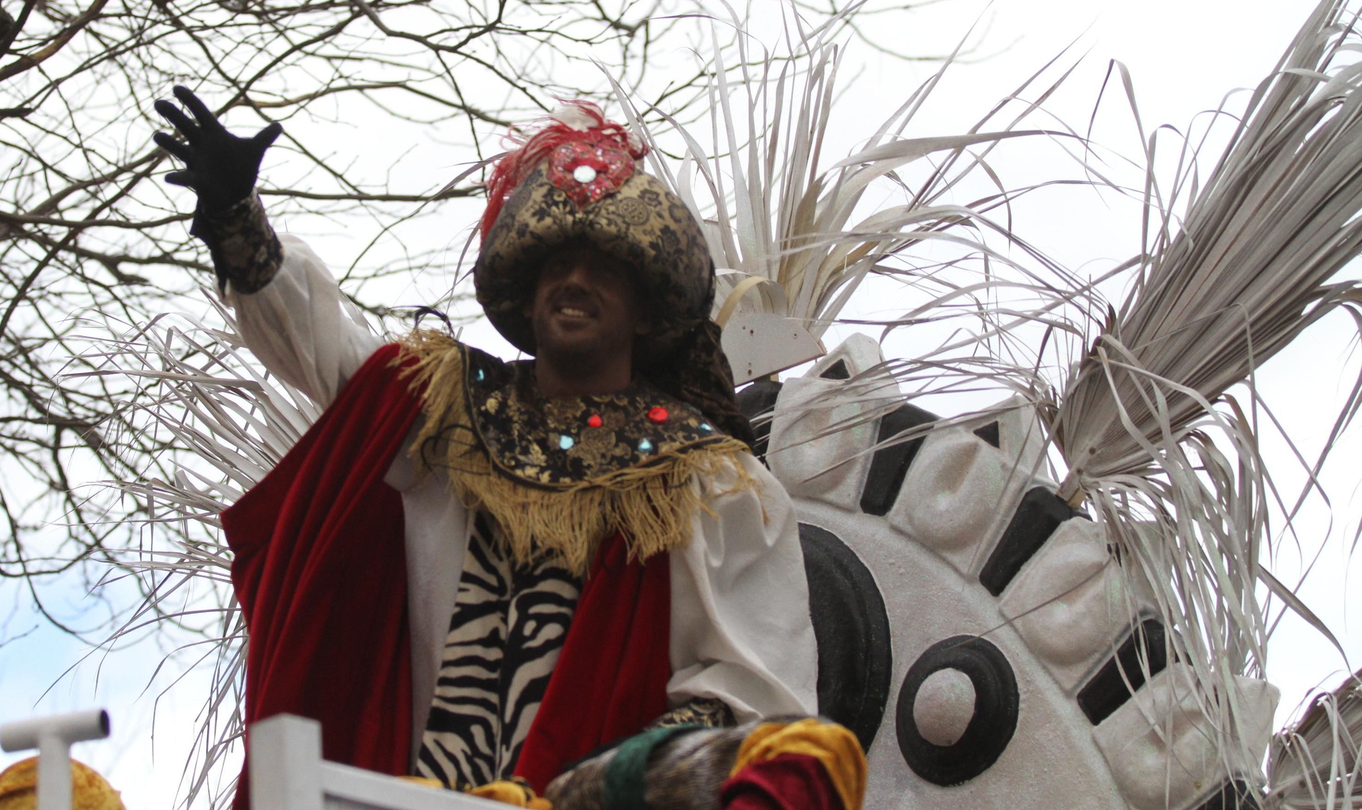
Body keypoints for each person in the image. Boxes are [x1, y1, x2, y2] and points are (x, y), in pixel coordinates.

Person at [153, 89, 866, 810]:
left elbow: (755, 697)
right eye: (555, 260)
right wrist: (238, 221)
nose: (575, 279)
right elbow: (324, 348)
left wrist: (605, 784)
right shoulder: (444, 407)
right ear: (525, 290)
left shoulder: (707, 479)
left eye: (605, 264)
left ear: (648, 304)